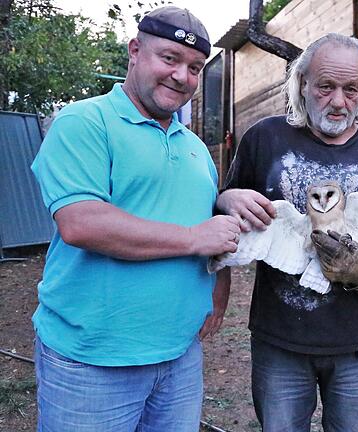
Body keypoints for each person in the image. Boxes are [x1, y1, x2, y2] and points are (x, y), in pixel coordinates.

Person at [30, 7, 242, 431]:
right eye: (169, 59)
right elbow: (82, 222)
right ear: (134, 51)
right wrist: (194, 238)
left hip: (180, 357)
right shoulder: (85, 122)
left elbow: (208, 227)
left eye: (195, 68)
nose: (182, 76)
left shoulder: (197, 148)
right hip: (92, 361)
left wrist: (218, 289)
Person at [215, 33, 358, 431]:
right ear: (302, 85)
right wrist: (227, 200)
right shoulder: (264, 137)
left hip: (356, 343)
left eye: (351, 89)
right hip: (279, 341)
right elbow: (227, 214)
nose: (339, 101)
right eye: (326, 87)